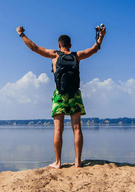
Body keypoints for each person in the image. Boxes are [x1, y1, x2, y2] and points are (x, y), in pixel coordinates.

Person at [16, 25, 106, 169]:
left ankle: (58, 162)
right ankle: (77, 162)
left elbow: (33, 47)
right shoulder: (77, 55)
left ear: (59, 45)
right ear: (70, 45)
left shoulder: (54, 55)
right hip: (75, 94)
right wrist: (101, 35)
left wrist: (21, 34)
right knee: (77, 128)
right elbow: (95, 49)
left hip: (59, 95)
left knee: (58, 129)